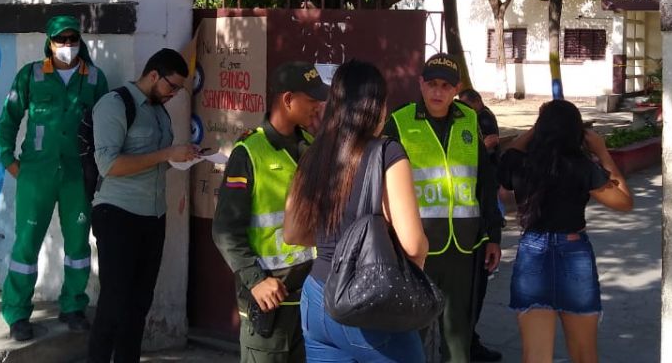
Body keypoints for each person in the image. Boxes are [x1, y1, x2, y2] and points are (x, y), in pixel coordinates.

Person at [282, 60, 428, 363]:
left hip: (317, 298)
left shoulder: (314, 153)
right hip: (369, 302)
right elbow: (413, 244)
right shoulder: (388, 153)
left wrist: (338, 245)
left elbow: (293, 233)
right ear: (378, 107)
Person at [382, 54, 503, 363]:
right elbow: (381, 183)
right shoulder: (400, 121)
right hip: (415, 247)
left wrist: (493, 235)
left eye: (446, 86)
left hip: (463, 247)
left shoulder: (469, 118)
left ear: (456, 88)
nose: (438, 92)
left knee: (457, 332)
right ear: (420, 84)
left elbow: (485, 181)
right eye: (432, 84)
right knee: (412, 332)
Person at [0, 15, 109, 341]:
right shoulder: (30, 76)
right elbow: (9, 119)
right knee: (26, 246)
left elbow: (106, 127)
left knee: (78, 246)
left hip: (78, 175)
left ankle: (73, 306)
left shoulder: (94, 80)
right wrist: (9, 160)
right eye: (61, 39)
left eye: (72, 38)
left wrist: (101, 170)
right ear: (49, 42)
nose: (67, 45)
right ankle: (17, 313)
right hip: (35, 176)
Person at [87, 48, 200, 363]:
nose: (174, 94)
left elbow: (157, 161)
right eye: (171, 86)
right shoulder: (114, 105)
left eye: (178, 89)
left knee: (139, 306)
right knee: (113, 304)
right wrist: (166, 155)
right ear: (153, 75)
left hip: (153, 217)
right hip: (118, 215)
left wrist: (185, 157)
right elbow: (108, 165)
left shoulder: (159, 111)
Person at [499, 100, 633, 363]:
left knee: (535, 356)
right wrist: (603, 152)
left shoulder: (520, 163)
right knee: (584, 354)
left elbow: (512, 150)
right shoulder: (581, 167)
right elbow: (624, 201)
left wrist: (535, 130)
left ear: (540, 128)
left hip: (532, 251)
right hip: (573, 253)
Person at [213, 61, 329, 363]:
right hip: (268, 298)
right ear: (288, 100)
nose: (318, 106)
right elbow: (225, 230)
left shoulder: (312, 147)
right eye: (312, 100)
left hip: (309, 297)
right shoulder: (249, 152)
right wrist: (255, 280)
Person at [455, 89, 502, 362]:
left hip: (475, 232)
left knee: (473, 297)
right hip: (437, 240)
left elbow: (486, 188)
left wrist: (493, 235)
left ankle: (469, 343)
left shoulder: (478, 120)